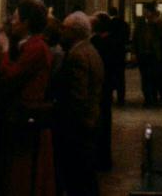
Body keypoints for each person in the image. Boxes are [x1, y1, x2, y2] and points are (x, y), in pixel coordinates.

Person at [0, 0, 56, 196]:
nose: (12, 22)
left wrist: (3, 51)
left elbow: (12, 75)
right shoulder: (31, 46)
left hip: (26, 117)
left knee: (24, 173)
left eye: (16, 18)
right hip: (25, 116)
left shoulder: (35, 48)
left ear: (27, 22)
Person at [52, 12, 104, 196]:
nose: (61, 32)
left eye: (64, 29)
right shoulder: (90, 51)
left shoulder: (77, 55)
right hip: (88, 123)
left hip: (78, 128)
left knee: (77, 177)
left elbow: (77, 96)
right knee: (85, 176)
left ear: (74, 31)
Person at [89, 13, 119, 171]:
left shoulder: (97, 44)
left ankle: (100, 158)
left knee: (100, 123)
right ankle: (104, 158)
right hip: (106, 88)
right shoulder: (111, 43)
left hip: (100, 89)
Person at [132, 3, 162, 106]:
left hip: (154, 54)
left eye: (147, 11)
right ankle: (147, 98)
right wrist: (134, 52)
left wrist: (157, 23)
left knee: (154, 76)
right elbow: (135, 38)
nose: (145, 13)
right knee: (145, 76)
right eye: (145, 11)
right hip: (143, 53)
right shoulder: (140, 22)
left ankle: (153, 96)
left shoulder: (157, 23)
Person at [106, 7, 129, 105]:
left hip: (110, 53)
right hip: (120, 53)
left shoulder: (108, 24)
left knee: (110, 75)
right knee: (120, 76)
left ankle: (109, 95)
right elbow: (126, 38)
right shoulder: (124, 24)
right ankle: (121, 97)